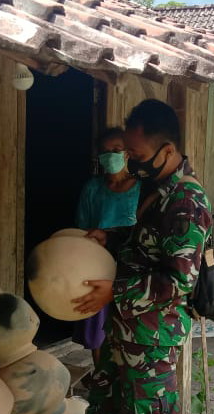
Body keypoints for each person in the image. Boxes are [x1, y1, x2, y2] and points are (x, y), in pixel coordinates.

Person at [63, 99, 212, 414]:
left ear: (166, 150)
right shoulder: (158, 191)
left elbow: (177, 282)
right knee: (101, 405)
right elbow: (150, 243)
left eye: (138, 155)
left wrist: (116, 292)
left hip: (153, 336)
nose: (131, 163)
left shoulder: (187, 201)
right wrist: (114, 235)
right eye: (127, 154)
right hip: (123, 330)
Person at [72, 128, 141, 362]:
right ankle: (100, 373)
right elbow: (83, 229)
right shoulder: (92, 188)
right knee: (99, 328)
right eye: (105, 151)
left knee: (130, 325)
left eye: (116, 150)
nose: (110, 155)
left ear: (128, 154)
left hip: (132, 268)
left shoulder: (143, 189)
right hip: (98, 265)